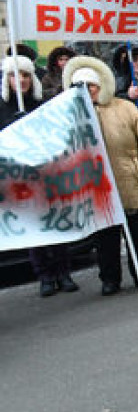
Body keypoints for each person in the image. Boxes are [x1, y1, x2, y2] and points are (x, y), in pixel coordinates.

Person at [63, 55, 138, 295]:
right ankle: (110, 279)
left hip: (130, 181)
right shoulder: (71, 116)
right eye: (80, 87)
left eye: (90, 85)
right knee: (105, 238)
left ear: (99, 85)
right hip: (97, 186)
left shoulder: (124, 108)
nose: (87, 91)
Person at [2, 55, 78, 298]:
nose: (21, 80)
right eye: (15, 75)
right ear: (8, 79)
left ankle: (63, 272)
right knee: (33, 227)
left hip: (46, 174)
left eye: (25, 75)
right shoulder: (2, 107)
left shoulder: (42, 103)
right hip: (18, 177)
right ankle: (45, 275)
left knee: (56, 222)